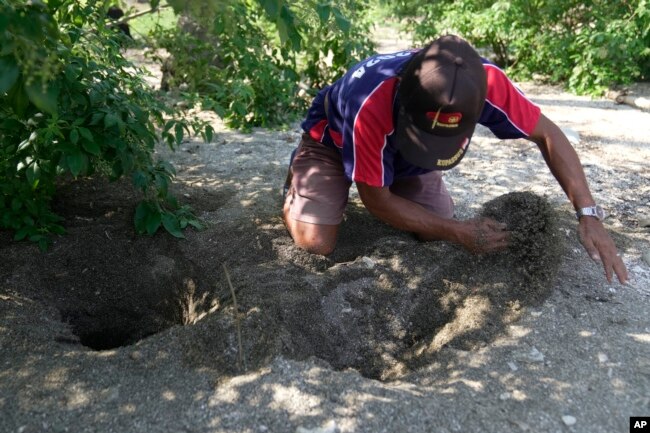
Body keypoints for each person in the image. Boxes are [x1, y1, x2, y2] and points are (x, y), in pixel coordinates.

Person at [282, 35, 628, 284]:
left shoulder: (487, 81)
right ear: (404, 99)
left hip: (406, 154)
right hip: (333, 140)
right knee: (315, 243)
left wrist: (588, 214)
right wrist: (458, 231)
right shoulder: (369, 101)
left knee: (435, 233)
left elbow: (549, 135)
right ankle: (300, 178)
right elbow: (376, 199)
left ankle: (415, 164)